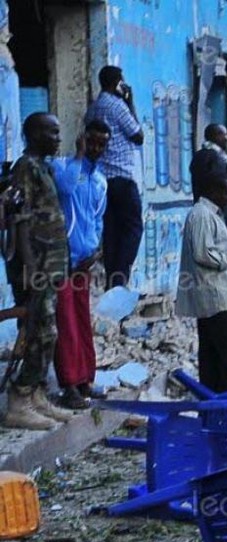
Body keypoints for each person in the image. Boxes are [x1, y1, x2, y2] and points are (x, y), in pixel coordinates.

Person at [2, 113, 75, 429]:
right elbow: (20, 222)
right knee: (39, 330)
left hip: (51, 265)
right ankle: (19, 398)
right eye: (52, 132)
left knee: (47, 331)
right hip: (36, 267)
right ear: (34, 134)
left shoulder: (43, 167)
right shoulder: (25, 169)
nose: (59, 138)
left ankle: (36, 395)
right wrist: (31, 268)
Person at [176, 172, 227, 393]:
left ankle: (214, 405)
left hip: (216, 298)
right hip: (216, 298)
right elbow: (203, 253)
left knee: (213, 357)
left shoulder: (210, 215)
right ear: (213, 191)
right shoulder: (202, 215)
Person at [50, 120, 110, 409]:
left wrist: (95, 251)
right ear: (83, 139)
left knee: (83, 322)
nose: (96, 148)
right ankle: (69, 385)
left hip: (84, 262)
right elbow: (64, 189)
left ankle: (86, 378)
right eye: (93, 142)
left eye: (102, 144)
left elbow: (97, 219)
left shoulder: (101, 180)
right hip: (61, 260)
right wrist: (78, 155)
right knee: (66, 324)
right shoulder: (63, 166)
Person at [84, 65, 144, 291]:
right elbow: (138, 135)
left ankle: (112, 278)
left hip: (101, 180)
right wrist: (130, 102)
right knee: (133, 228)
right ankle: (120, 279)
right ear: (118, 83)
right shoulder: (119, 106)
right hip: (121, 177)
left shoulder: (93, 108)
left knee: (111, 231)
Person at [190, 124, 227, 203]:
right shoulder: (212, 156)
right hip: (210, 205)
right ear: (214, 136)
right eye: (222, 134)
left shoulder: (216, 155)